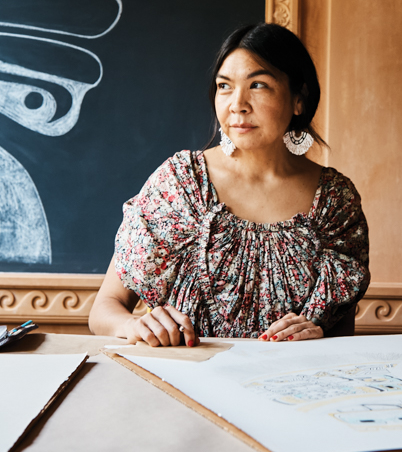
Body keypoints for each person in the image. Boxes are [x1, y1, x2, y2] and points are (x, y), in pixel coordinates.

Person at [88, 23, 369, 346]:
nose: (237, 104)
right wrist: (135, 325)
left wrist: (319, 334)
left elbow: (342, 335)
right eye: (225, 86)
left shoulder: (334, 201)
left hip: (289, 388)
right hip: (184, 382)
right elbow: (103, 310)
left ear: (298, 100)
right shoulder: (181, 184)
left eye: (259, 85)